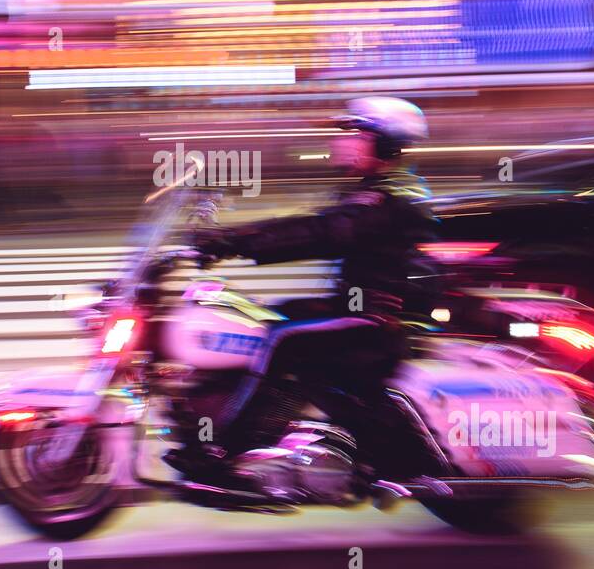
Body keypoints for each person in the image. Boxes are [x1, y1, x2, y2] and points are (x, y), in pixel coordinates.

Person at [187, 96, 443, 488]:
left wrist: (231, 241)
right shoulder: (372, 190)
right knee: (268, 318)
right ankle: (273, 432)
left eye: (356, 134)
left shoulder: (389, 197)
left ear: (386, 144)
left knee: (281, 338)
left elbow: (322, 232)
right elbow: (316, 225)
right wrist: (229, 237)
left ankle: (226, 452)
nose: (342, 143)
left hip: (376, 318)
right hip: (358, 306)